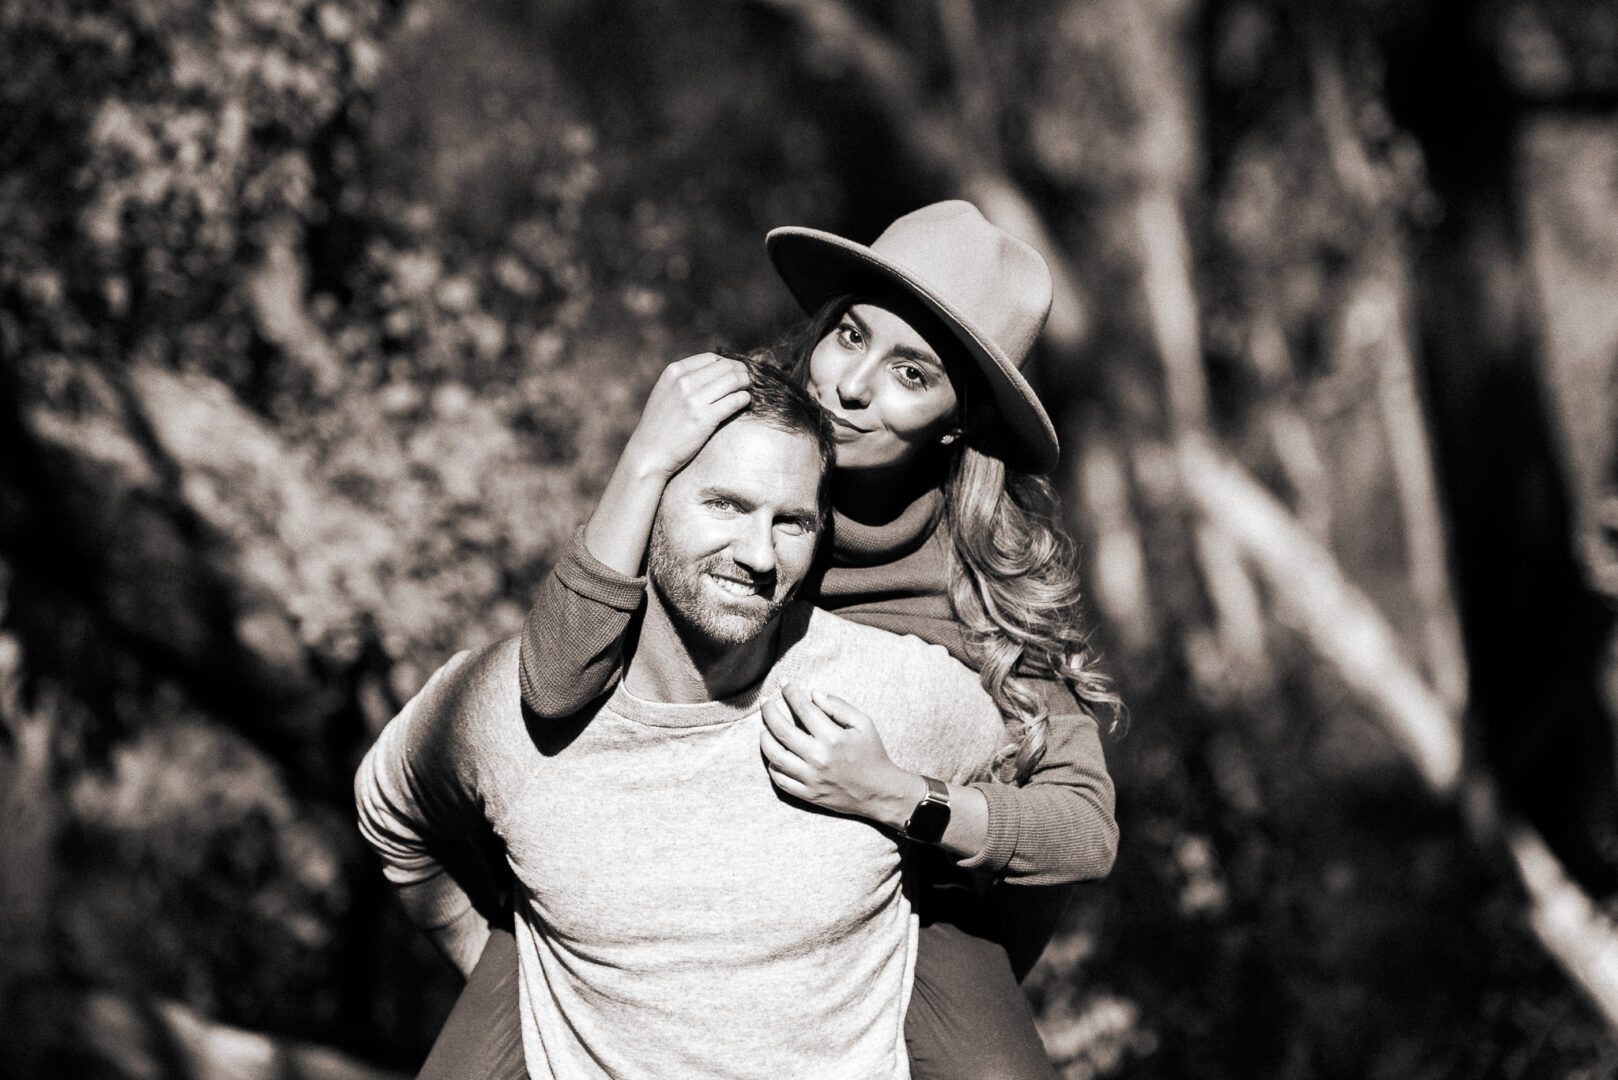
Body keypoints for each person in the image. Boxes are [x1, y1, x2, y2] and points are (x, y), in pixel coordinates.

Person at [479, 200, 1121, 1079]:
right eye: (850, 337)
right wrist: (646, 459)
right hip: (643, 868)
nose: (851, 386)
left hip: (893, 905)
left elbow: (1085, 829)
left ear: (958, 421)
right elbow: (551, 684)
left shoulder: (979, 583)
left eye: (911, 373)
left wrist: (902, 798)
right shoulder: (727, 464)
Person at [355, 360, 1009, 1077]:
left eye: (790, 522)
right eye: (726, 505)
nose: (759, 555)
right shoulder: (501, 709)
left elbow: (1046, 833)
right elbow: (393, 807)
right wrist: (505, 972)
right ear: (651, 502)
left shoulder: (892, 693)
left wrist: (910, 803)